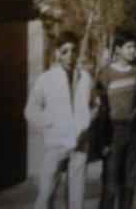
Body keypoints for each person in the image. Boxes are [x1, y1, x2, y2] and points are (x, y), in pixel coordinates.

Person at [25, 31, 93, 209]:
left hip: (80, 142)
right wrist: (51, 122)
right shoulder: (46, 79)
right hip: (56, 142)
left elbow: (94, 103)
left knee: (77, 195)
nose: (70, 55)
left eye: (73, 51)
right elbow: (31, 110)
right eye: (65, 51)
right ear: (57, 53)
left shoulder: (85, 78)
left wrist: (89, 117)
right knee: (46, 192)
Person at [97, 30, 136, 209]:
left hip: (132, 131)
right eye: (128, 47)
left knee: (129, 181)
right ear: (118, 49)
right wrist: (103, 139)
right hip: (113, 132)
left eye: (134, 47)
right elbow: (101, 107)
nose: (133, 51)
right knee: (110, 182)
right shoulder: (106, 73)